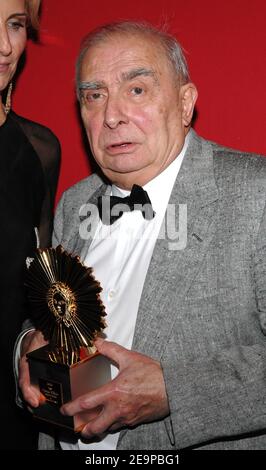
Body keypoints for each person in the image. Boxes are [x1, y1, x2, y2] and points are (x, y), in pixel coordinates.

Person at [18, 21, 266, 450]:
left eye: (136, 90)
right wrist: (27, 346)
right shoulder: (74, 203)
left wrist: (174, 390)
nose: (111, 116)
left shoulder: (254, 194)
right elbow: (45, 314)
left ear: (185, 103)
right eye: (94, 96)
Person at [0, 0, 60, 450]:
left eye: (15, 25)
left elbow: (40, 284)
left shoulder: (39, 150)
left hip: (14, 400)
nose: (5, 47)